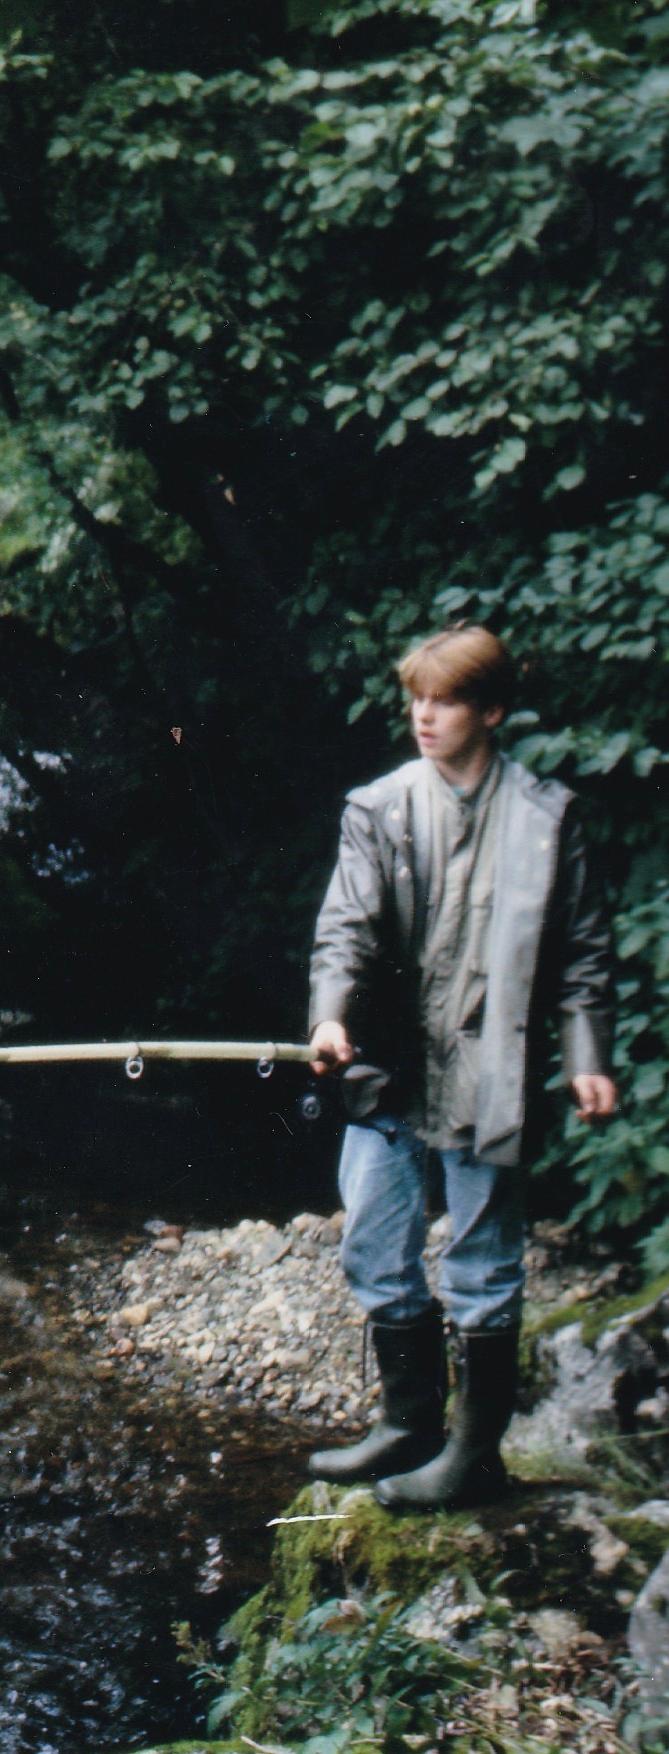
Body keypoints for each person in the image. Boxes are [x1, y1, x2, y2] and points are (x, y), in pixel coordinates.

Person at [304, 624, 617, 1509]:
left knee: (483, 1261)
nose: (424, 715)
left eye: (444, 701)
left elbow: (586, 957)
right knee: (372, 1237)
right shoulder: (378, 808)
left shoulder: (552, 819)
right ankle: (410, 1425)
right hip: (390, 1070)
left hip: (494, 1075)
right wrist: (329, 1018)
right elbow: (345, 933)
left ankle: (475, 1457)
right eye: (417, 698)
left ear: (493, 711)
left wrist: (587, 1058)